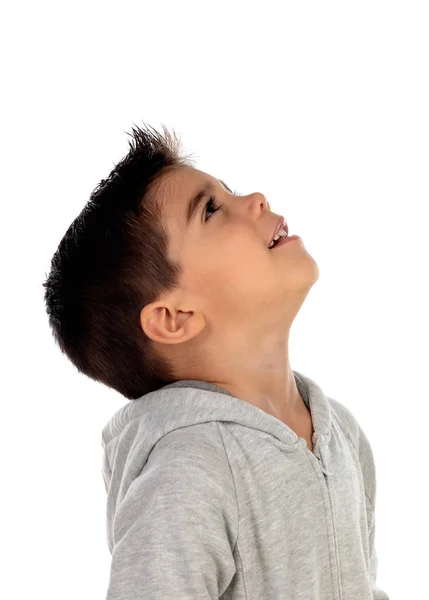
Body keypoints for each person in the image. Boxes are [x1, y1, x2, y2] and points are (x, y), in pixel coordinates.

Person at [43, 122, 389, 599]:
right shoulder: (187, 472)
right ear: (174, 317)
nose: (257, 199)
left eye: (230, 191)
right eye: (211, 209)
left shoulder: (342, 435)